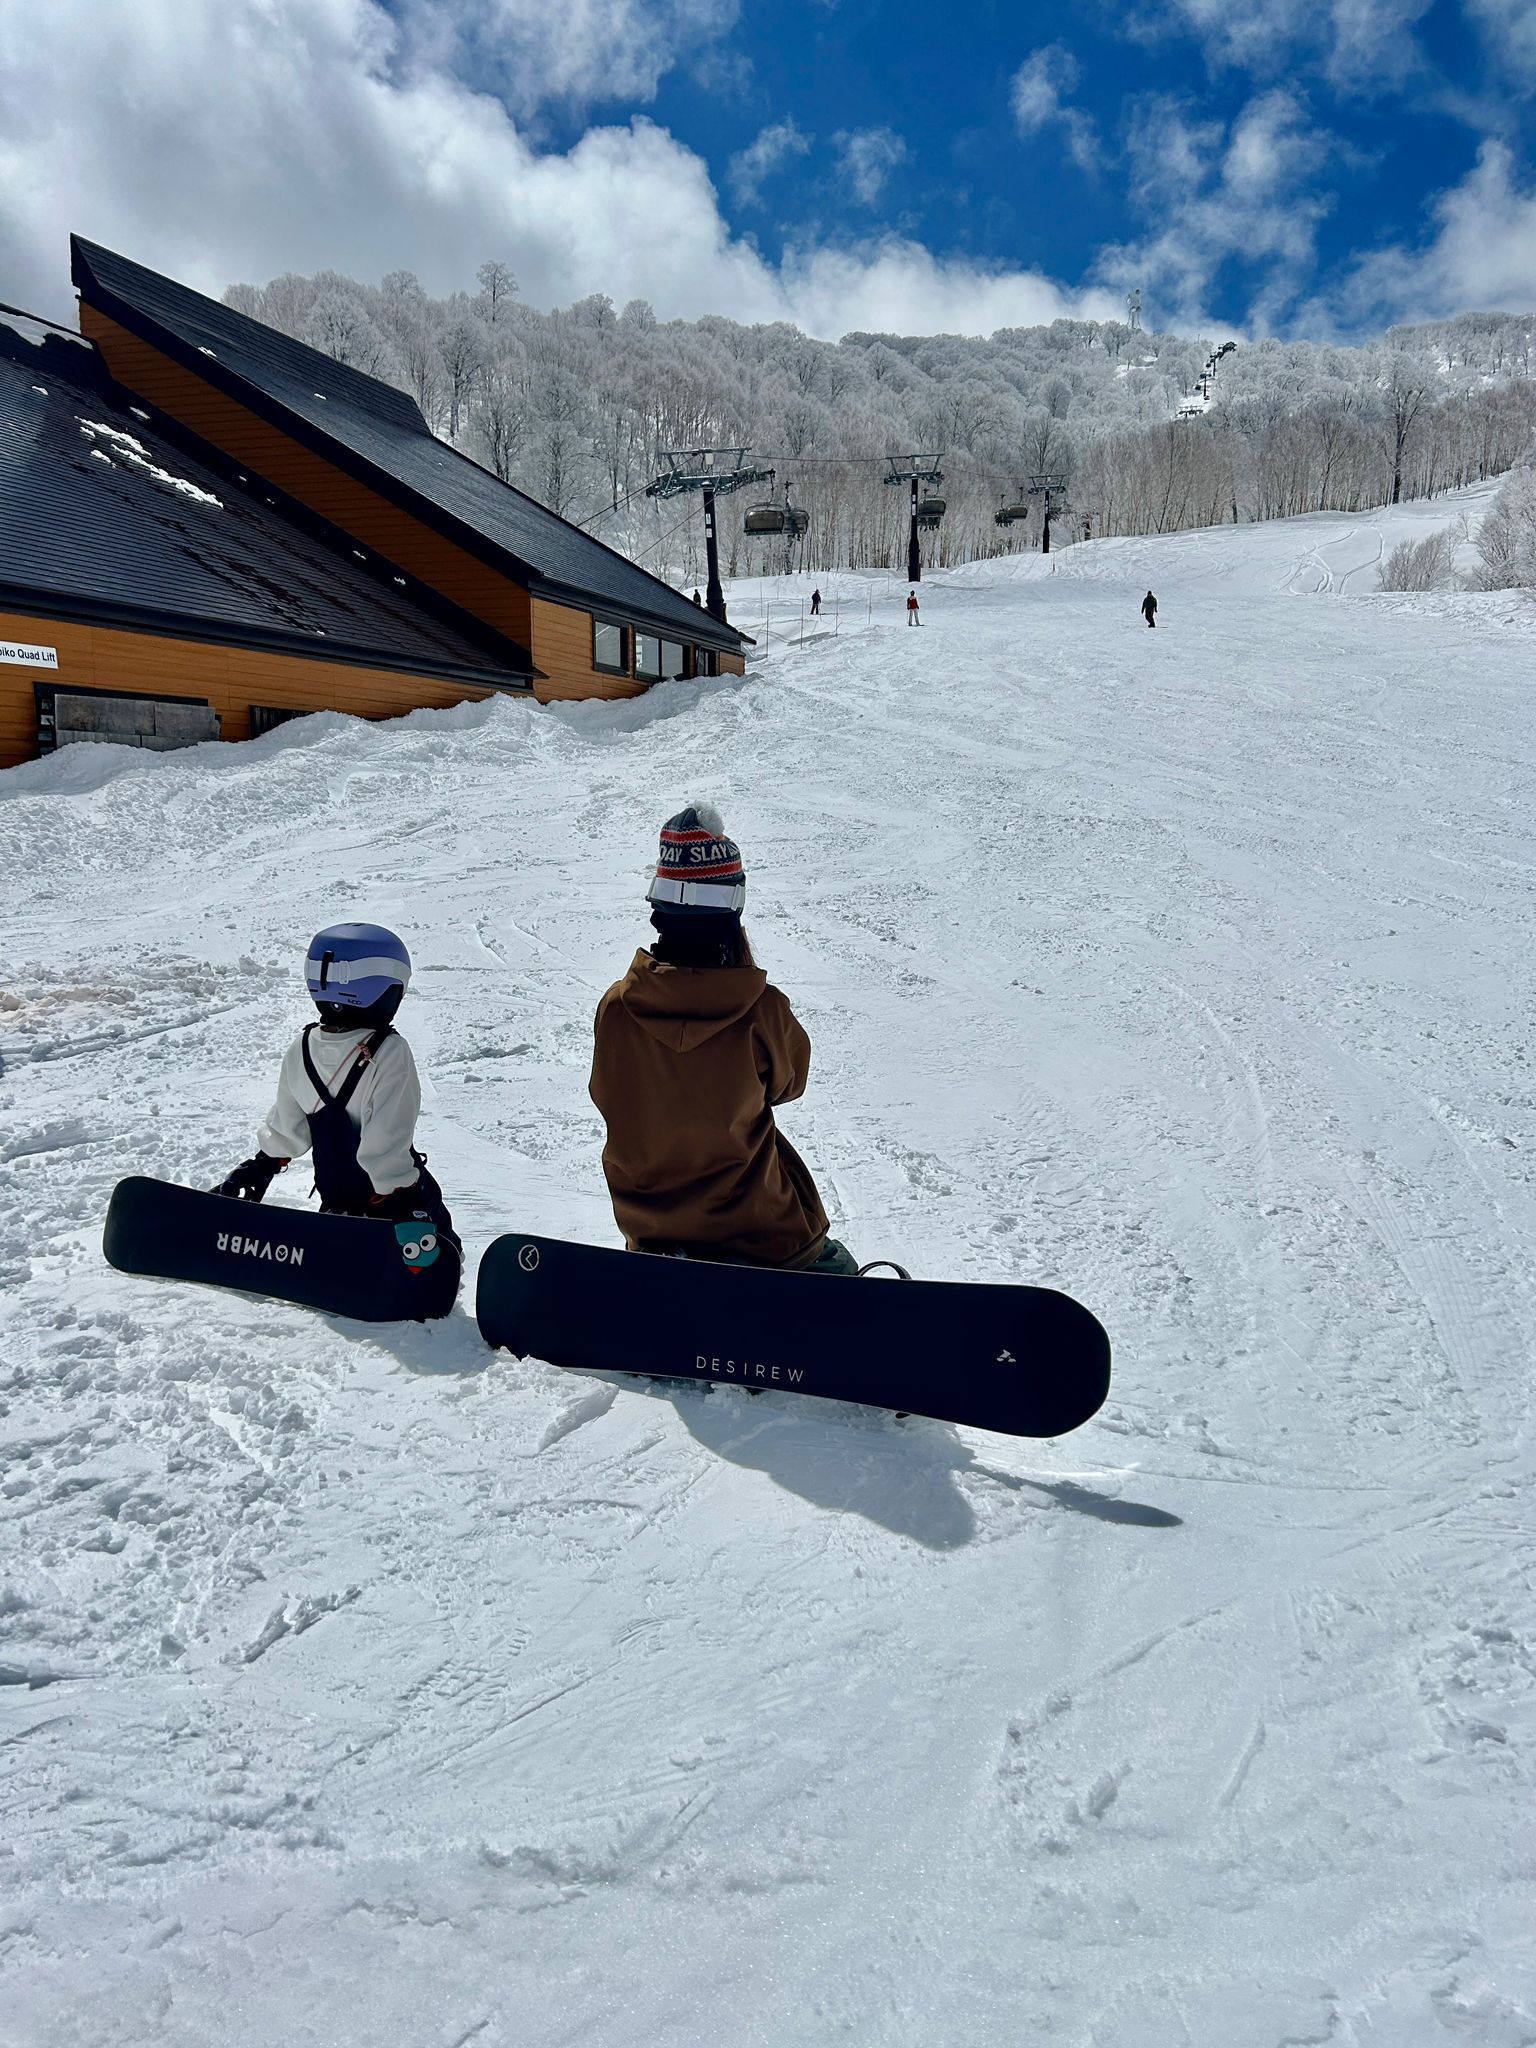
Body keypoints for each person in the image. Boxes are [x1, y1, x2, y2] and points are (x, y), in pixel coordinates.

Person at [589, 805, 858, 1276]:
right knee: (839, 1270)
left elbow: (609, 1093)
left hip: (653, 1234)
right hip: (765, 1238)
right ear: (733, 911)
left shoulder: (617, 1009)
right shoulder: (760, 1010)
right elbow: (789, 1085)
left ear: (658, 913)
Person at [216, 922, 457, 1247]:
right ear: (383, 990)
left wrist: (261, 1167)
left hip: (335, 1200)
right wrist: (403, 1200)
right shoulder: (390, 1051)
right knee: (444, 1242)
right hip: (387, 1204)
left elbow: (287, 1129)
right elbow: (385, 1139)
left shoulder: (302, 1047)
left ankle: (337, 1250)